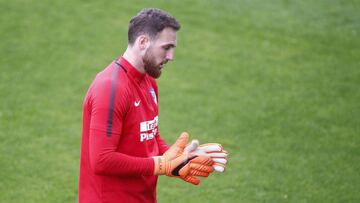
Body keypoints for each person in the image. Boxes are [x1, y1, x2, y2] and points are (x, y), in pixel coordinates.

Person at [78, 8, 227, 203]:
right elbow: (101, 160)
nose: (171, 56)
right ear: (143, 42)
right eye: (166, 47)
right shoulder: (111, 88)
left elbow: (149, 137)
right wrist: (161, 165)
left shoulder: (149, 82)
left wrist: (179, 158)